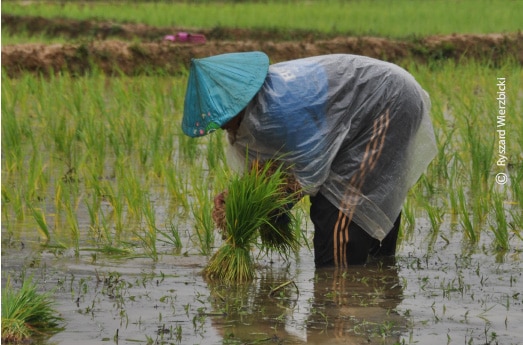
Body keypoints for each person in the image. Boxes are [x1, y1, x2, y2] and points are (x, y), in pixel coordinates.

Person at [182, 52, 437, 267]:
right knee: (360, 198)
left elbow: (309, 171)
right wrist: (245, 198)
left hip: (388, 101)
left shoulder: (275, 111)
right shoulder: (259, 107)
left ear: (236, 102)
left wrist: (266, 204)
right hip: (371, 101)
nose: (222, 127)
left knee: (342, 206)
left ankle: (338, 296)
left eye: (221, 118)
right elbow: (272, 168)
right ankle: (377, 279)